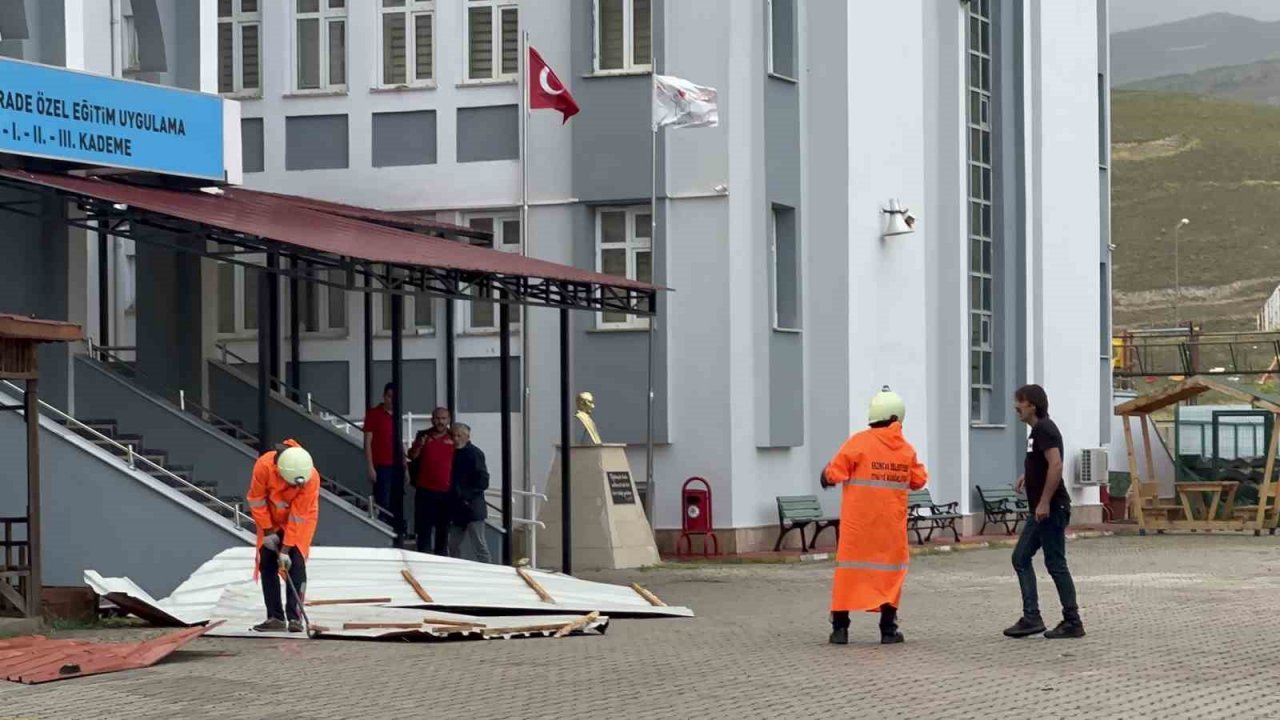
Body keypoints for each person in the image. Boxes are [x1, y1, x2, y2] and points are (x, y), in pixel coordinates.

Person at [820, 386, 928, 645]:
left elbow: (834, 474)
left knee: (848, 574)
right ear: (897, 418)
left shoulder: (858, 442)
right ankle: (888, 630)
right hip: (890, 529)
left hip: (857, 528)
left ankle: (840, 629)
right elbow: (919, 480)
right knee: (890, 576)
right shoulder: (906, 450)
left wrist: (825, 475)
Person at [1004, 384, 1085, 640]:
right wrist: (1026, 476)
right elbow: (1042, 463)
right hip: (1043, 510)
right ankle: (1032, 618)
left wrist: (1044, 502)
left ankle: (1072, 621)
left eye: (1020, 402)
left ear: (1032, 405)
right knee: (1021, 558)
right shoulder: (1036, 432)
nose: (1016, 406)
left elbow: (1056, 465)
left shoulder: (1044, 429)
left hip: (1051, 509)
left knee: (1055, 563)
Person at [246, 439, 319, 633]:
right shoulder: (264, 466)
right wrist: (268, 531)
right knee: (267, 561)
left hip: (300, 520)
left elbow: (298, 516)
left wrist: (286, 549)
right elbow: (256, 499)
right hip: (270, 517)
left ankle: (295, 618)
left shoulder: (310, 476)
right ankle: (275, 617)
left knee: (296, 562)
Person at [407, 407, 455, 555]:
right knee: (424, 528)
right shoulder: (423, 435)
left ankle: (441, 557)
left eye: (443, 418)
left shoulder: (454, 437)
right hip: (425, 490)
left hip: (446, 492)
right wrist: (419, 445)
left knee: (443, 529)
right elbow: (412, 456)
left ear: (448, 420)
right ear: (432, 419)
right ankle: (423, 557)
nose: (440, 422)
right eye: (437, 418)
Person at [447, 423, 492, 563]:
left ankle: (488, 570)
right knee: (453, 544)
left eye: (459, 435)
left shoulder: (474, 454)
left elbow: (483, 480)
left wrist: (467, 496)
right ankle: (457, 567)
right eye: (453, 435)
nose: (456, 439)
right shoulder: (453, 453)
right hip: (458, 505)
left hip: (472, 505)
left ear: (467, 436)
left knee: (479, 544)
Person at [363, 383, 397, 526]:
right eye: (389, 396)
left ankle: (395, 529)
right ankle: (384, 528)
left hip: (396, 465)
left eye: (394, 397)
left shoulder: (397, 415)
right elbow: (367, 442)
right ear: (384, 396)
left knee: (396, 501)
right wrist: (370, 467)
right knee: (383, 501)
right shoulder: (374, 414)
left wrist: (405, 466)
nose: (391, 400)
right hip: (381, 465)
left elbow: (398, 442)